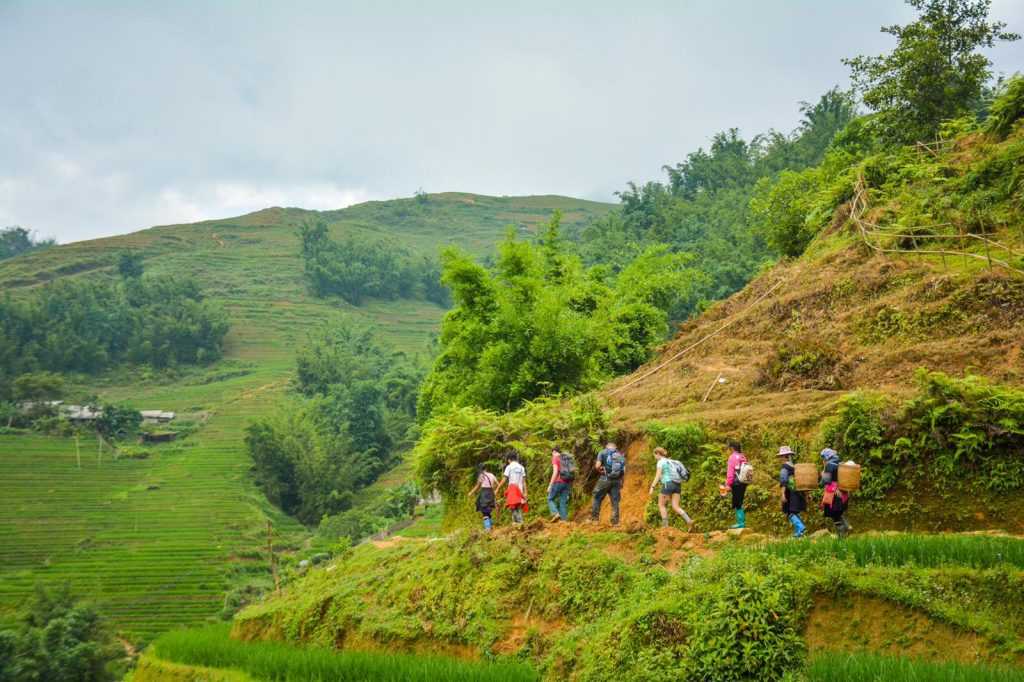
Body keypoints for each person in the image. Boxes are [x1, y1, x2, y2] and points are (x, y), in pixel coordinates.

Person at [647, 447, 695, 531]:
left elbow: (657, 476)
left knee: (661, 505)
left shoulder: (660, 462)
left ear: (658, 454)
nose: (655, 457)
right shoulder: (671, 461)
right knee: (675, 506)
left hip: (668, 484)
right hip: (677, 485)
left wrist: (652, 487)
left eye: (655, 455)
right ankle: (689, 520)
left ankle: (665, 527)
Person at [590, 441, 625, 525]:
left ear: (607, 446)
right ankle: (615, 522)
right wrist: (622, 482)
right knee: (615, 501)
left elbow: (597, 466)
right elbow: (623, 470)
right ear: (615, 447)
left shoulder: (602, 452)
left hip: (605, 479)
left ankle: (595, 520)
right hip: (617, 481)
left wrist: (601, 471)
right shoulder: (620, 455)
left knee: (597, 497)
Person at [819, 448, 851, 537]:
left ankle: (842, 534)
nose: (823, 460)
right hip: (843, 492)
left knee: (834, 514)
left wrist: (822, 473)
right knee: (839, 512)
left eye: (823, 457)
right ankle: (847, 526)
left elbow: (825, 481)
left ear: (826, 457)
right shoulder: (841, 463)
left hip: (833, 493)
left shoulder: (830, 465)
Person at [776, 446, 806, 538]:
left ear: (784, 457)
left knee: (790, 512)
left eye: (781, 456)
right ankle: (798, 533)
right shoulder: (794, 467)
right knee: (794, 512)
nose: (780, 458)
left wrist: (783, 494)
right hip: (797, 491)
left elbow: (784, 482)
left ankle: (801, 528)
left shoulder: (784, 468)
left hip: (790, 492)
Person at [720, 440, 748, 529]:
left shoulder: (732, 457)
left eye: (729, 448)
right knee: (739, 501)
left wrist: (728, 484)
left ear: (732, 448)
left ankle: (740, 523)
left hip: (736, 483)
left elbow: (730, 473)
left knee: (737, 503)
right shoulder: (742, 456)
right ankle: (741, 522)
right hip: (743, 482)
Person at [495, 452, 528, 524]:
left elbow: (504, 479)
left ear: (509, 459)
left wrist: (497, 488)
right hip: (520, 491)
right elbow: (524, 481)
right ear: (516, 458)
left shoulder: (509, 467)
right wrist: (525, 492)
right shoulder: (521, 467)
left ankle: (519, 523)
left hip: (512, 491)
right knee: (518, 507)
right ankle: (517, 524)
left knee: (513, 507)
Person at [467, 463, 498, 532]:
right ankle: (491, 526)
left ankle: (487, 528)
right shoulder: (491, 475)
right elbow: (497, 484)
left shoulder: (481, 476)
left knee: (484, 511)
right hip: (491, 493)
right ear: (486, 468)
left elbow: (477, 486)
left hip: (484, 494)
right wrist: (494, 490)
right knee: (488, 510)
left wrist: (470, 493)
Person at [547, 447, 573, 522]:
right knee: (563, 502)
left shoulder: (555, 458)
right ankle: (564, 521)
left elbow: (555, 472)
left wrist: (550, 485)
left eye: (552, 453)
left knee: (550, 499)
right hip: (567, 482)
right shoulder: (566, 458)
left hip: (558, 482)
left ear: (554, 452)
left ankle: (555, 513)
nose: (552, 455)